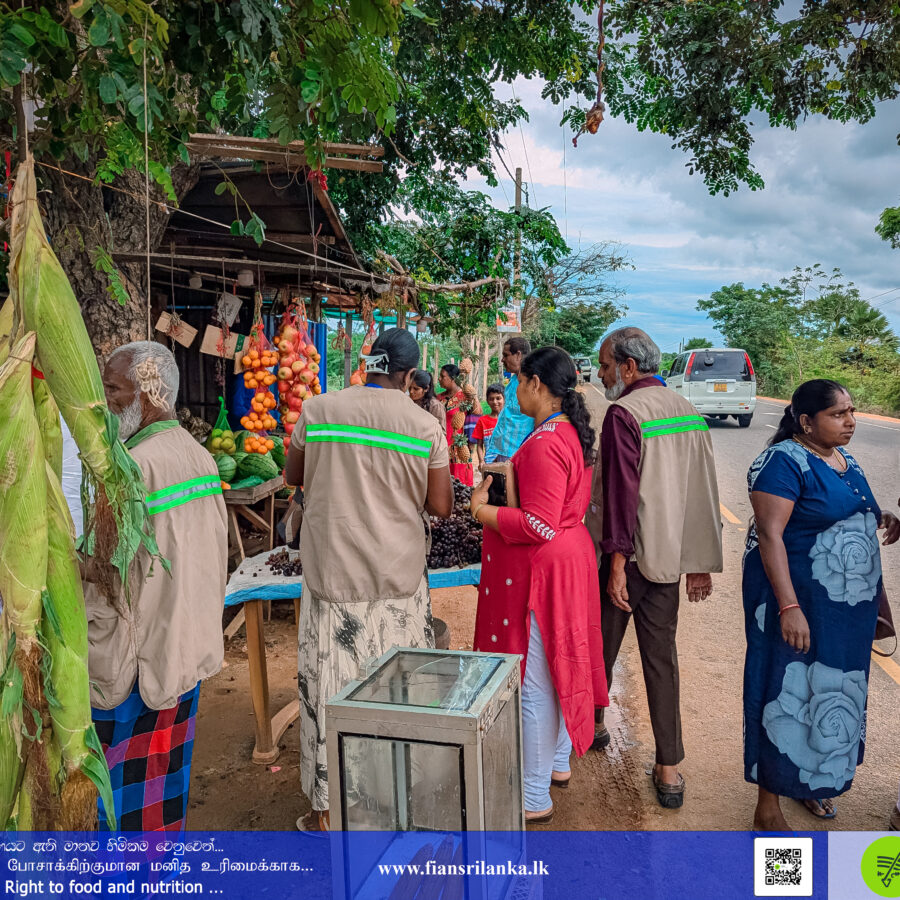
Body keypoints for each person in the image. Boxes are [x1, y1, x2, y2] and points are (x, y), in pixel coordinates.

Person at [284, 328, 453, 832]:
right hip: (396, 584)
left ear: (369, 362)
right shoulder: (424, 426)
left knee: (330, 692)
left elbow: (295, 475)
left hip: (332, 583)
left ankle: (328, 809)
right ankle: (393, 799)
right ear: (407, 374)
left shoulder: (317, 410)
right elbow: (440, 506)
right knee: (395, 695)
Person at [743, 380, 899, 830]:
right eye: (838, 414)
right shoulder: (781, 463)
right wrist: (789, 607)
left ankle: (812, 782)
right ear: (806, 421)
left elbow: (844, 509)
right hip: (799, 605)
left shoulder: (843, 459)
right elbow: (771, 536)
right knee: (783, 690)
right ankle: (768, 804)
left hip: (843, 615)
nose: (850, 421)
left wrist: (881, 517)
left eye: (852, 411)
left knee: (832, 693)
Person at [85, 341, 227, 832]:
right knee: (162, 784)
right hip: (182, 653)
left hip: (134, 667)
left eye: (113, 389)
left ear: (147, 395)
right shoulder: (199, 458)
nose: (104, 401)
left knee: (117, 797)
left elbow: (105, 569)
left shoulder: (131, 469)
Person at [470, 347, 607, 824]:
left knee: (535, 682)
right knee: (559, 666)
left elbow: (541, 524)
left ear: (535, 384)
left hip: (546, 569)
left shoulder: (549, 439)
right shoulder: (564, 431)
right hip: (567, 562)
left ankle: (533, 795)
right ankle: (556, 765)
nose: (513, 392)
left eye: (518, 382)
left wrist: (483, 512)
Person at [596, 327, 722, 810]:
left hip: (629, 559)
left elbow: (622, 497)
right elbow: (702, 493)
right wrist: (699, 563)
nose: (604, 375)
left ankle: (596, 725)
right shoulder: (688, 412)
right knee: (661, 659)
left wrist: (616, 565)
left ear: (629, 367)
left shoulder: (624, 413)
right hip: (669, 562)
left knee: (602, 645)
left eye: (607, 366)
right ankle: (669, 768)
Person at [484, 337, 534, 463]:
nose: (502, 360)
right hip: (501, 451)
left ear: (518, 355)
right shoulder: (512, 382)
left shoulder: (533, 385)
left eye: (506, 355)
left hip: (518, 453)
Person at [438, 363, 474, 485]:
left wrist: (472, 395)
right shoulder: (438, 398)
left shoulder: (464, 397)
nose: (439, 379)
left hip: (459, 448)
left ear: (453, 379)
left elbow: (476, 415)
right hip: (441, 446)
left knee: (460, 486)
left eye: (443, 376)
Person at [471, 383, 505, 467]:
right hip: (489, 464)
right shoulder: (482, 421)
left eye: (498, 398)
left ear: (504, 399)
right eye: (491, 399)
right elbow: (479, 445)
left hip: (507, 463)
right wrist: (481, 461)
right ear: (487, 401)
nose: (495, 402)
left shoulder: (510, 419)